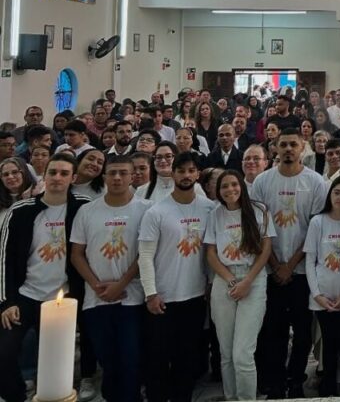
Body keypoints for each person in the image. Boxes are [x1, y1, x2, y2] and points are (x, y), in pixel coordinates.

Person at [0, 153, 87, 402]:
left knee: (55, 361)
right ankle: (17, 395)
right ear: (43, 176)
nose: (57, 178)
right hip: (26, 295)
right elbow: (4, 258)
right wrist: (7, 301)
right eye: (52, 172)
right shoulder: (21, 210)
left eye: (64, 173)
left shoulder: (83, 207)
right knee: (4, 352)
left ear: (73, 178)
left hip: (63, 297)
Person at [250, 129, 328, 398]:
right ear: (275, 147)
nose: (288, 149)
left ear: (302, 146)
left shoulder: (315, 182)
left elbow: (315, 229)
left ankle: (295, 379)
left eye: (293, 144)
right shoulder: (263, 181)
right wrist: (275, 264)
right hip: (270, 269)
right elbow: (258, 228)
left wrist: (291, 264)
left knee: (303, 332)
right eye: (283, 145)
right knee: (274, 331)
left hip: (302, 271)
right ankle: (275, 381)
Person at [138, 151, 216, 402]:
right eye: (181, 171)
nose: (186, 175)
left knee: (187, 357)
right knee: (158, 358)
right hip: (163, 297)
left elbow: (211, 251)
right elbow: (145, 255)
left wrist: (210, 283)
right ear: (172, 174)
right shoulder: (157, 211)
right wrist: (150, 293)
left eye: (191, 171)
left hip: (195, 295)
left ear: (198, 174)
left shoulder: (209, 208)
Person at [70, 155, 147, 402]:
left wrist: (121, 284)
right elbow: (76, 254)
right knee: (107, 358)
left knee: (130, 357)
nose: (117, 178)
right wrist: (97, 286)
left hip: (132, 297)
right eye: (112, 173)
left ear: (132, 176)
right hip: (97, 298)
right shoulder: (87, 211)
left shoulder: (146, 209)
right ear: (104, 177)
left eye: (123, 173)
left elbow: (146, 253)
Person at [204, 170, 275, 400]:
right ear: (218, 191)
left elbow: (265, 250)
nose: (230, 190)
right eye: (224, 186)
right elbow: (211, 253)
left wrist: (247, 281)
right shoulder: (215, 214)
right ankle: (231, 397)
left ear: (242, 186)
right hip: (225, 280)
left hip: (253, 278)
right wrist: (230, 280)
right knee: (226, 353)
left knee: (242, 353)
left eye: (234, 184)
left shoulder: (259, 211)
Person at [304, 176, 340, 396]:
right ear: (330, 194)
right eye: (337, 192)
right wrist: (317, 295)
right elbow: (310, 261)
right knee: (329, 346)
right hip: (323, 297)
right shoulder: (317, 222)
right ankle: (327, 390)